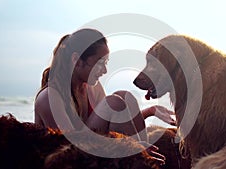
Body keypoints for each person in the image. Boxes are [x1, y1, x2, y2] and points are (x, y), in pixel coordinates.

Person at [34, 28, 175, 163]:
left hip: (91, 152)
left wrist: (150, 111)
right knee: (114, 103)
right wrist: (131, 148)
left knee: (125, 97)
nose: (105, 70)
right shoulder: (49, 98)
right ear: (77, 60)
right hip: (67, 160)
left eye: (106, 63)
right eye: (100, 63)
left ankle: (147, 159)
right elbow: (68, 149)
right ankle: (141, 157)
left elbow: (119, 121)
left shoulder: (92, 87)